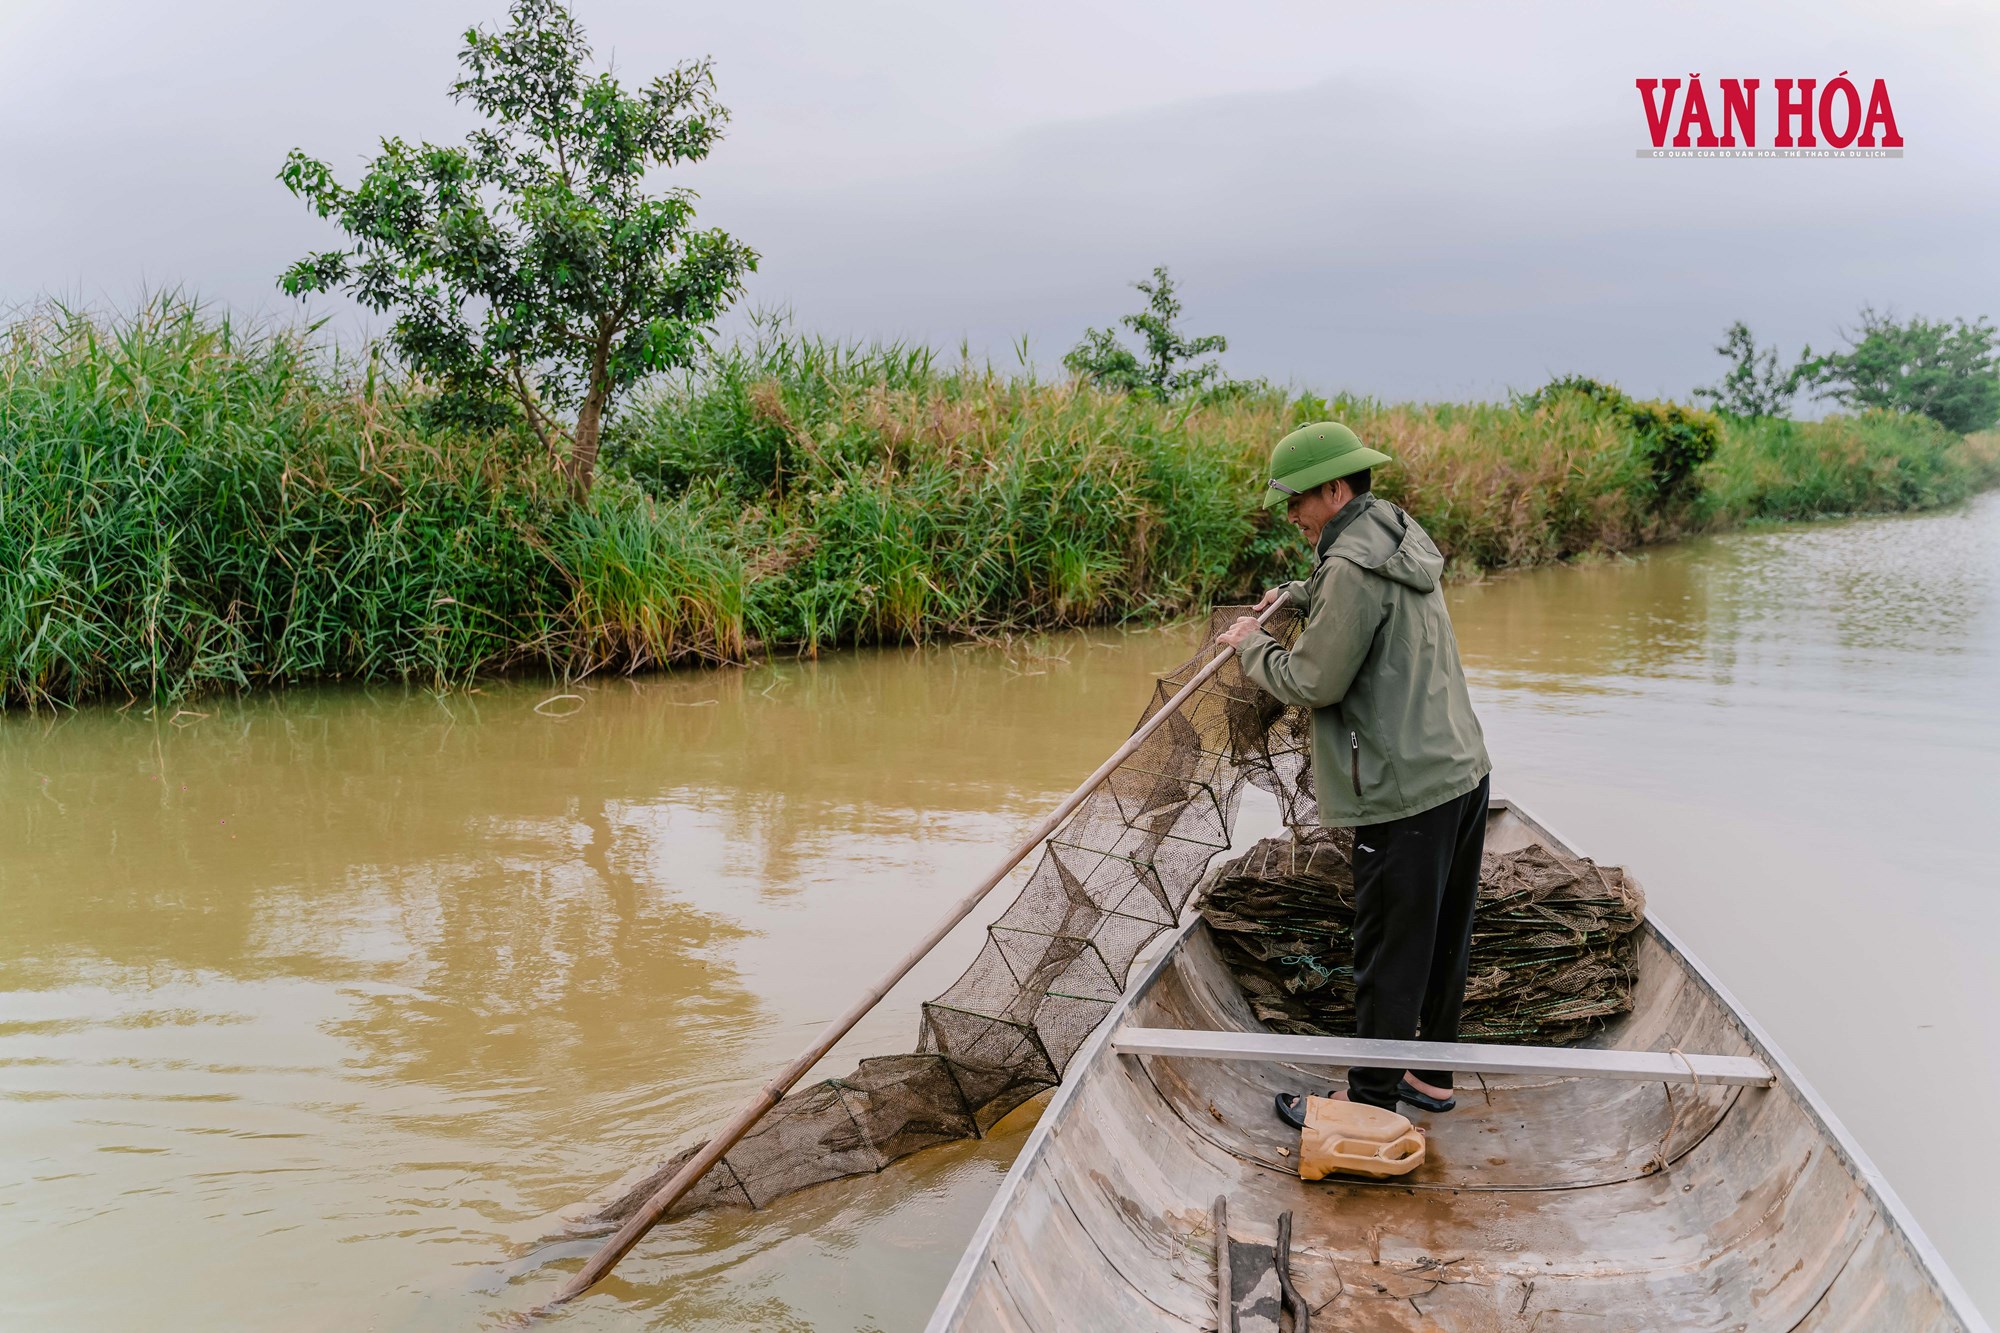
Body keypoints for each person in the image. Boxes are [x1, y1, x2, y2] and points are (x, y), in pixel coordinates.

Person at [1216, 421, 1492, 1127]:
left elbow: (1314, 680)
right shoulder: (1396, 534)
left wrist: (1251, 646)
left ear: (1336, 489)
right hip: (1460, 771)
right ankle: (1428, 1074)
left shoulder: (1348, 567)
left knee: (1388, 951)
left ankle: (1367, 1104)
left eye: (1298, 500)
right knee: (1440, 940)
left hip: (1404, 793)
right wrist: (1298, 596)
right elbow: (1353, 603)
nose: (1291, 516)